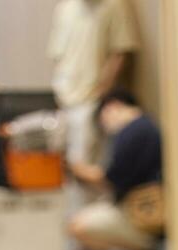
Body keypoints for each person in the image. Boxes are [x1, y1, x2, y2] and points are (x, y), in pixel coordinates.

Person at [68, 88, 162, 250]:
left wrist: (79, 170)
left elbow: (113, 178)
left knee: (78, 226)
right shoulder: (146, 126)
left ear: (112, 107)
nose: (105, 126)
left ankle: (146, 249)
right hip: (147, 209)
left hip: (141, 213)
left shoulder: (131, 130)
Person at [47, 0, 138, 174]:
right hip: (65, 97)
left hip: (91, 100)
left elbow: (119, 53)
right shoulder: (65, 9)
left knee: (87, 164)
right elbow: (58, 56)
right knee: (65, 167)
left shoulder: (113, 6)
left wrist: (102, 92)